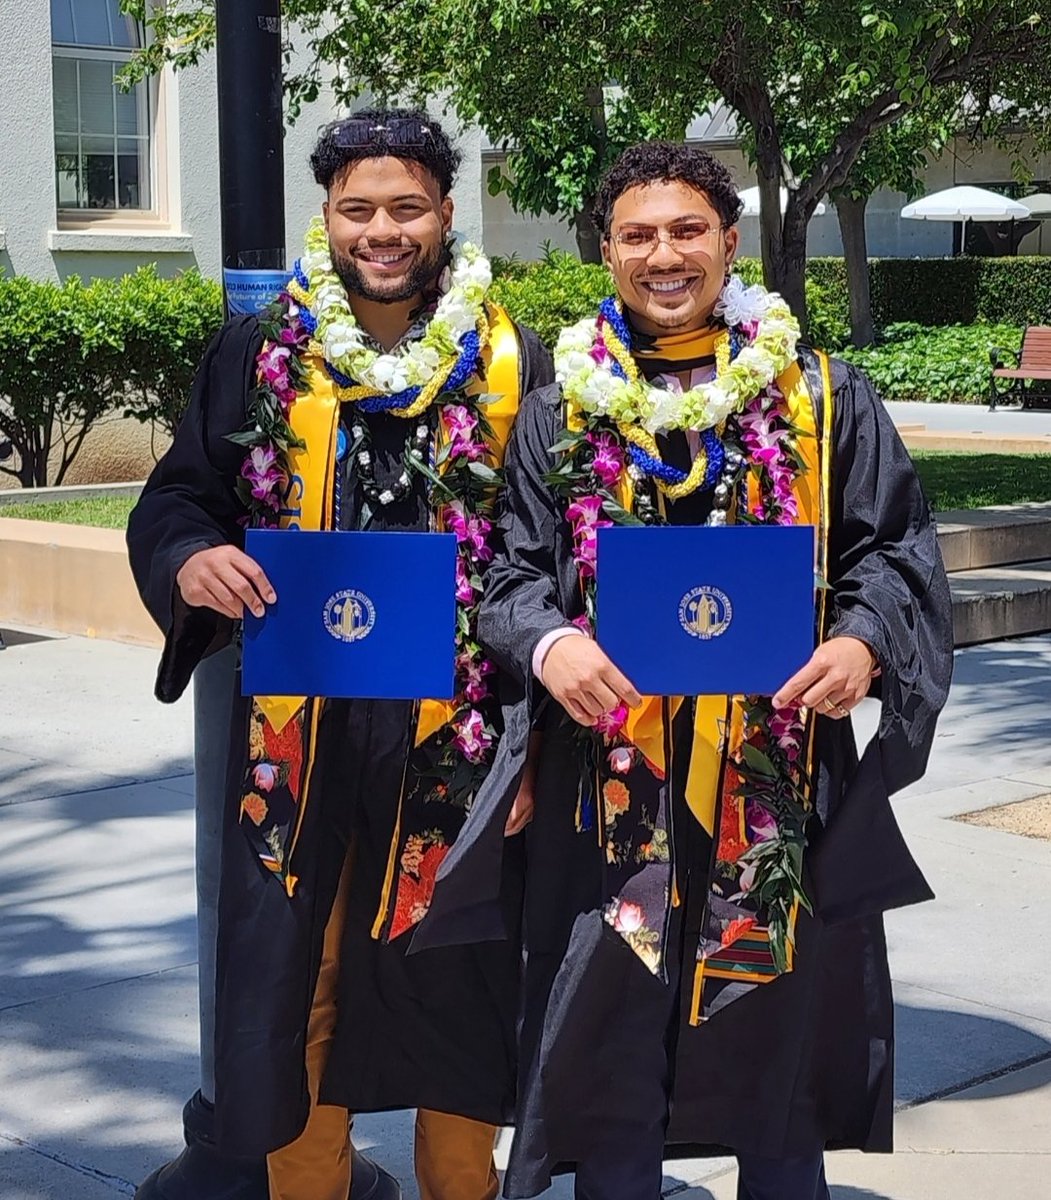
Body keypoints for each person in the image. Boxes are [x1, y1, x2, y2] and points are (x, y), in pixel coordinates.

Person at [412, 141, 954, 1199]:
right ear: (606, 251)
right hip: (605, 784)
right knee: (606, 1031)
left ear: (728, 241)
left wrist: (861, 641)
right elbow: (510, 574)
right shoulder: (561, 407)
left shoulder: (821, 393)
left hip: (777, 777)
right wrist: (552, 642)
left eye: (687, 230)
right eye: (638, 235)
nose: (664, 254)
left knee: (778, 1041)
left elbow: (892, 550)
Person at [127, 108, 552, 1200]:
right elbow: (182, 494)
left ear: (445, 213)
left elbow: (553, 551)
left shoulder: (509, 358)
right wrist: (190, 561)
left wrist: (536, 742)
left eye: (406, 207)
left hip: (455, 731)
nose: (382, 229)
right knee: (296, 982)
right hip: (304, 730)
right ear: (327, 215)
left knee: (459, 977)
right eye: (357, 208)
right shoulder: (262, 352)